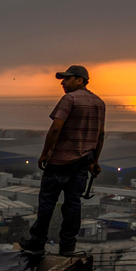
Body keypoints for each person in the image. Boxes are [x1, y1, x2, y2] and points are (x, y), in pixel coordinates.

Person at [21, 65, 106, 258]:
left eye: (67, 79)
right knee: (73, 203)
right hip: (84, 161)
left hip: (60, 160)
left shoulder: (69, 99)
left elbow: (56, 128)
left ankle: (37, 243)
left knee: (47, 202)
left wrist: (45, 153)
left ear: (80, 80)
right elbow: (100, 135)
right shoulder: (99, 103)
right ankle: (68, 247)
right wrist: (94, 161)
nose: (62, 82)